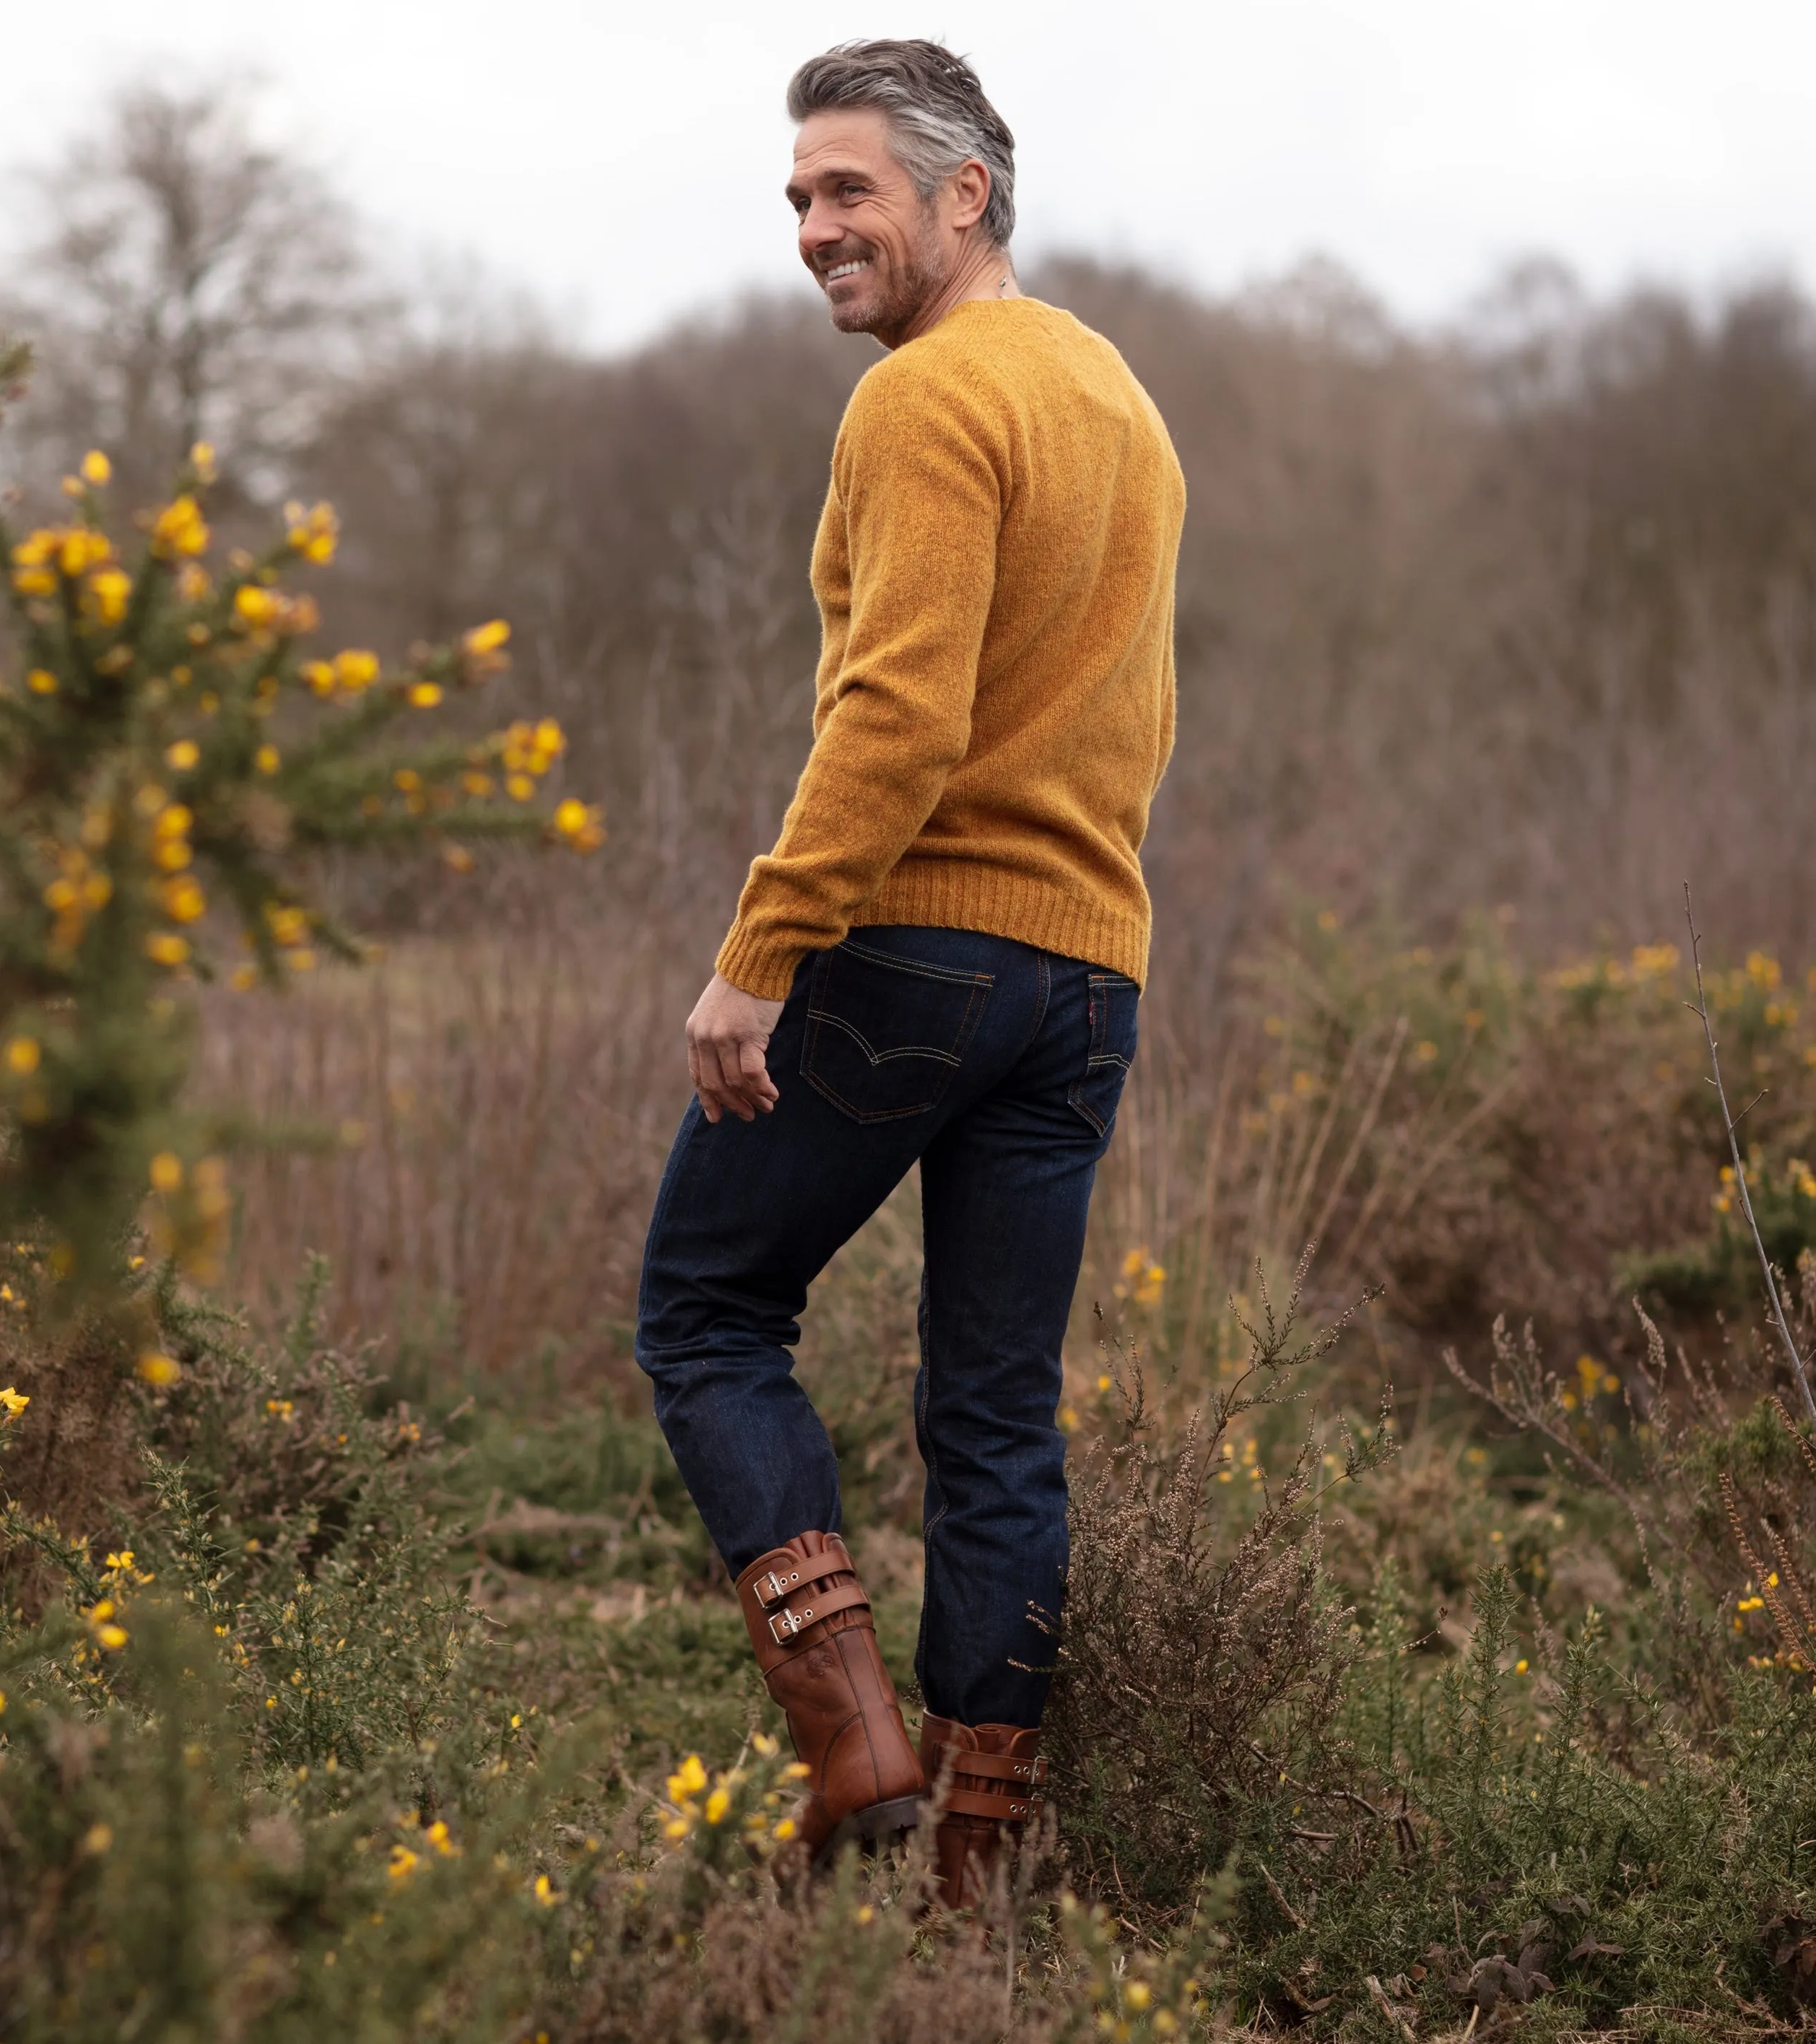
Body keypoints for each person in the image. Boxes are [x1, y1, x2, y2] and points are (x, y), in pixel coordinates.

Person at [635, 38, 1184, 1913]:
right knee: (993, 1413)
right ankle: (973, 1872)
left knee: (706, 1305)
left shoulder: (927, 403)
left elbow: (897, 710)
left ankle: (853, 1741)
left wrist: (757, 953)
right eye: (796, 197)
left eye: (846, 189)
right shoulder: (1116, 403)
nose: (810, 229)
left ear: (965, 195)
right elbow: (1126, 717)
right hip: (1082, 978)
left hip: (920, 939)